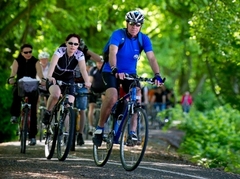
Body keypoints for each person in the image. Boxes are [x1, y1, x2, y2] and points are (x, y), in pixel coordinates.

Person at [92, 10, 165, 147]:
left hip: (130, 74)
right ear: (127, 24)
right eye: (132, 24)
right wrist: (114, 69)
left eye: (138, 24)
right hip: (111, 71)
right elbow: (113, 52)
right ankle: (100, 128)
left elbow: (151, 58)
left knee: (136, 93)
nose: (134, 27)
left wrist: (157, 75)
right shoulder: (118, 34)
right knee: (112, 97)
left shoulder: (143, 39)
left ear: (141, 25)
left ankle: (132, 133)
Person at [42, 34, 91, 128]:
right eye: (70, 43)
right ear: (66, 43)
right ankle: (48, 112)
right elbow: (53, 64)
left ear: (78, 45)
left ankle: (65, 133)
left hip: (69, 80)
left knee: (69, 105)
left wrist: (87, 81)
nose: (73, 46)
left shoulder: (79, 54)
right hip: (55, 78)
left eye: (76, 44)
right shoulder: (60, 51)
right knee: (56, 94)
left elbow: (83, 69)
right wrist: (49, 76)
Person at [8, 44, 44, 146]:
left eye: (30, 52)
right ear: (21, 53)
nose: (28, 54)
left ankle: (32, 136)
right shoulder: (17, 60)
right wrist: (11, 78)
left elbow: (40, 74)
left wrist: (43, 80)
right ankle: (14, 115)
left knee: (33, 111)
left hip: (32, 85)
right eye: (26, 52)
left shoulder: (36, 61)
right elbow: (13, 72)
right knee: (16, 93)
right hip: (20, 84)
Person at [73, 40, 102, 146]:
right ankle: (64, 132)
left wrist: (87, 50)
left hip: (81, 84)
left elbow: (99, 59)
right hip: (68, 82)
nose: (76, 48)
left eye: (79, 47)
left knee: (82, 109)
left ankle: (80, 134)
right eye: (75, 45)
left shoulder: (85, 56)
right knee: (65, 105)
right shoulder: (65, 53)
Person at [87, 60, 106, 136]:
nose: (100, 64)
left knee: (104, 103)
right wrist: (88, 87)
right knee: (91, 107)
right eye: (98, 62)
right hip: (93, 90)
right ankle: (91, 126)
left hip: (103, 91)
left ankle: (102, 123)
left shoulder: (105, 70)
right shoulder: (93, 70)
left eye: (101, 63)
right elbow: (90, 80)